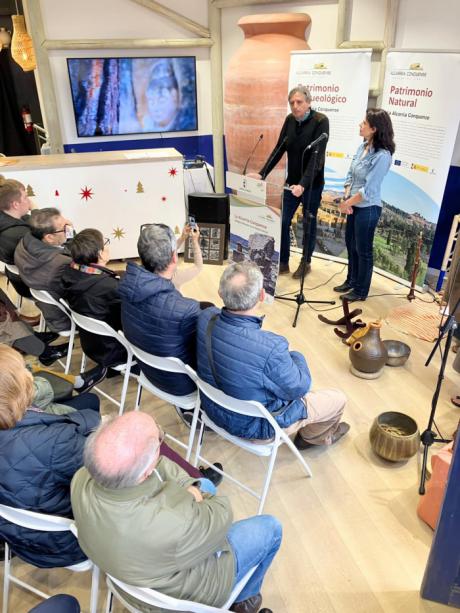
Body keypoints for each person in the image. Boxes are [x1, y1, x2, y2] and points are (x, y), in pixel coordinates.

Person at [71, 411, 281, 613]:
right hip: (180, 597)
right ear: (145, 473)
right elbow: (222, 512)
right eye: (158, 439)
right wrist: (192, 494)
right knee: (271, 528)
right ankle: (245, 600)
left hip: (126, 579)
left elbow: (161, 466)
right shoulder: (175, 522)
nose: (161, 445)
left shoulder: (80, 479)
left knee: (204, 484)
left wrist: (190, 490)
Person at [196, 261, 349, 448]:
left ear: (220, 293)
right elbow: (300, 388)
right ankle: (312, 438)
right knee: (338, 399)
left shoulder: (205, 318)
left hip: (213, 409)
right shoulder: (271, 347)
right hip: (257, 428)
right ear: (262, 295)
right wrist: (297, 356)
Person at [0, 344, 101, 568]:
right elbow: (103, 472)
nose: (28, 372)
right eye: (23, 370)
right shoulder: (56, 441)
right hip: (68, 542)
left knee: (88, 405)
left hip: (18, 536)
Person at [248, 86, 329, 278]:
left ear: (308, 102)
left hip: (311, 185)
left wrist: (303, 184)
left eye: (299, 102)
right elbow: (279, 148)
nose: (295, 106)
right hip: (291, 183)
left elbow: (317, 159)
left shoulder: (321, 121)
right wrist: (262, 173)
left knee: (308, 224)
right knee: (283, 222)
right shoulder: (290, 120)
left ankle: (305, 262)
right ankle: (282, 261)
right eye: (292, 102)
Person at [119, 223, 205, 401]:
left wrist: (181, 239)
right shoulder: (185, 309)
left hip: (146, 369)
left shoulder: (126, 285)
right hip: (180, 385)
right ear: (174, 258)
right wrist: (192, 241)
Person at [334, 108, 395, 302]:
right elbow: (351, 175)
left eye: (364, 123)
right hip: (353, 205)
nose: (360, 125)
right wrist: (346, 198)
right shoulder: (362, 147)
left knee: (363, 250)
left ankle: (360, 291)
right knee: (351, 246)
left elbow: (368, 190)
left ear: (374, 129)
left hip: (368, 209)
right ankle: (351, 281)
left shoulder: (382, 156)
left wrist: (347, 204)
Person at [61, 228, 126, 385]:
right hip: (114, 351)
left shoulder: (68, 272)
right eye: (106, 243)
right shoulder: (109, 287)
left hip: (90, 344)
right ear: (101, 253)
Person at [15, 207, 74, 332]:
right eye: (65, 228)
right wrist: (72, 235)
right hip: (67, 319)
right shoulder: (60, 263)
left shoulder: (25, 241)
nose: (69, 228)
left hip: (50, 312)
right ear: (49, 237)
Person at [0, 174, 37, 304]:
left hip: (18, 279)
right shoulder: (19, 234)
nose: (30, 201)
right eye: (26, 197)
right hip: (32, 285)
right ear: (15, 204)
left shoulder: (8, 221)